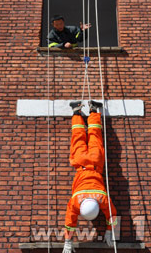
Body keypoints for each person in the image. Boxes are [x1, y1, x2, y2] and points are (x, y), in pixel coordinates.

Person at [62, 100, 117, 253]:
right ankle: (76, 111)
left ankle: (93, 110)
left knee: (95, 136)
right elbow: (69, 222)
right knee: (78, 136)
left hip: (95, 161)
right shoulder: (76, 201)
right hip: (80, 163)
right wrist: (109, 232)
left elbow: (113, 216)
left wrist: (110, 231)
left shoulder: (102, 198)